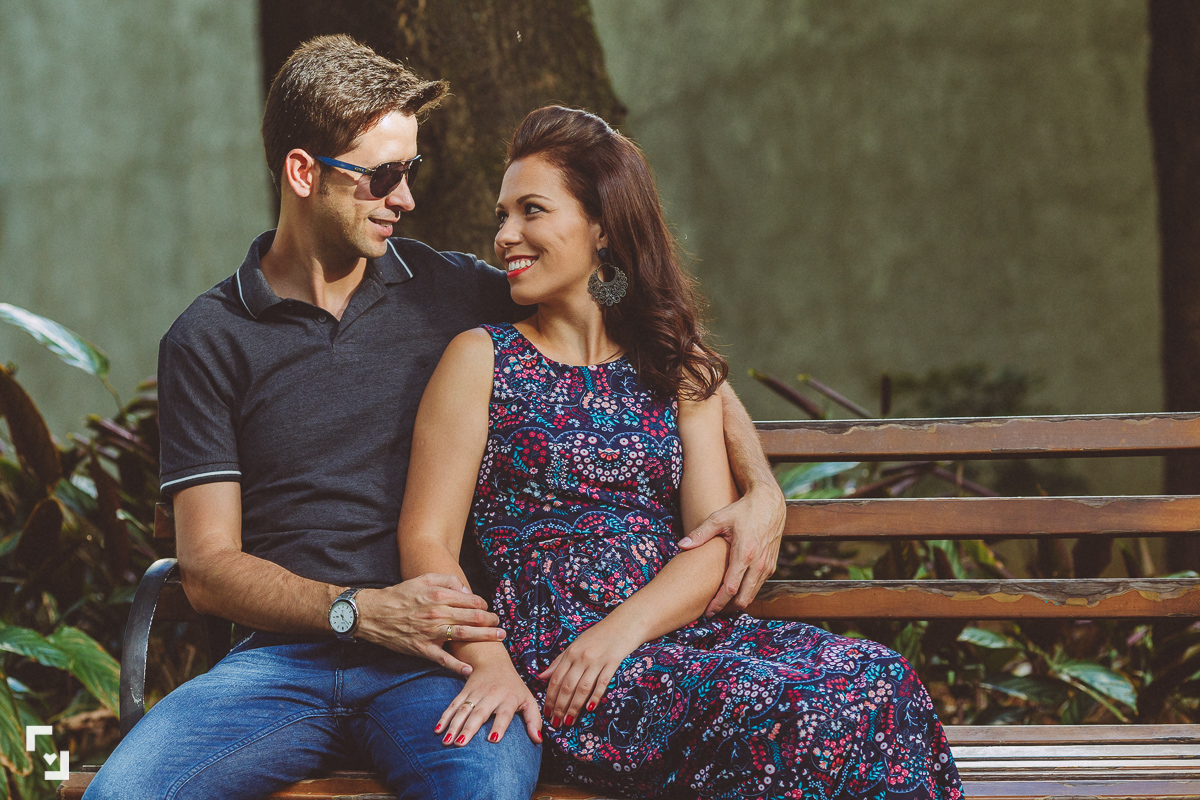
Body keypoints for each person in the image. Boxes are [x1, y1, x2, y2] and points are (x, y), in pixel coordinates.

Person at [84, 36, 785, 800]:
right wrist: (359, 613)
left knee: (486, 788)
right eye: (383, 176)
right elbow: (208, 568)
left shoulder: (455, 291)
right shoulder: (207, 338)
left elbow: (659, 348)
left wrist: (761, 488)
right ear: (303, 172)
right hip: (276, 668)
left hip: (439, 663)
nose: (406, 199)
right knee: (120, 795)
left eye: (410, 171)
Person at [398, 106, 964, 800]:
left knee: (882, 678)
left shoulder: (672, 367)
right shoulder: (481, 358)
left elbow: (710, 538)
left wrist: (621, 632)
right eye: (502, 214)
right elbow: (426, 539)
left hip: (669, 636)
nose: (505, 234)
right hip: (563, 663)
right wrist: (489, 661)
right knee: (791, 713)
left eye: (532, 211)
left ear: (603, 227)